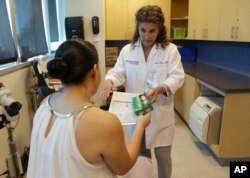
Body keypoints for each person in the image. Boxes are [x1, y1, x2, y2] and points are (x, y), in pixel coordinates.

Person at [26, 38, 151, 178]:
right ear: (95, 71)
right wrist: (140, 125)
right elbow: (124, 167)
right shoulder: (104, 122)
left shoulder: (44, 105)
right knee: (146, 164)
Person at [101, 5, 185, 178]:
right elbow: (117, 72)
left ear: (160, 29)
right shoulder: (128, 50)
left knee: (163, 157)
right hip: (138, 111)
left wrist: (161, 88)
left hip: (161, 112)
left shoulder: (170, 51)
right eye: (143, 30)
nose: (147, 36)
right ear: (137, 28)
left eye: (152, 31)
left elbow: (177, 77)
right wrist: (109, 81)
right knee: (141, 157)